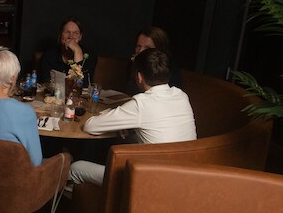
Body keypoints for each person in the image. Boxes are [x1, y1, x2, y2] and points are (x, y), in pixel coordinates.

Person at [69, 48, 196, 186]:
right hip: (186, 178)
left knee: (76, 168)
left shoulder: (141, 103)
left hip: (153, 182)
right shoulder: (182, 96)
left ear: (139, 77)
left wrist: (111, 115)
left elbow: (90, 126)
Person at [41, 16, 97, 84]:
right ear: (60, 34)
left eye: (75, 33)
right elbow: (47, 84)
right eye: (67, 32)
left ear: (80, 37)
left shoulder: (89, 55)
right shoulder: (49, 55)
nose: (70, 36)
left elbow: (82, 85)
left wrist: (77, 51)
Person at [126, 26, 182, 93]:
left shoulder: (170, 71)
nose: (140, 51)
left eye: (147, 48)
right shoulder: (133, 64)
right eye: (138, 46)